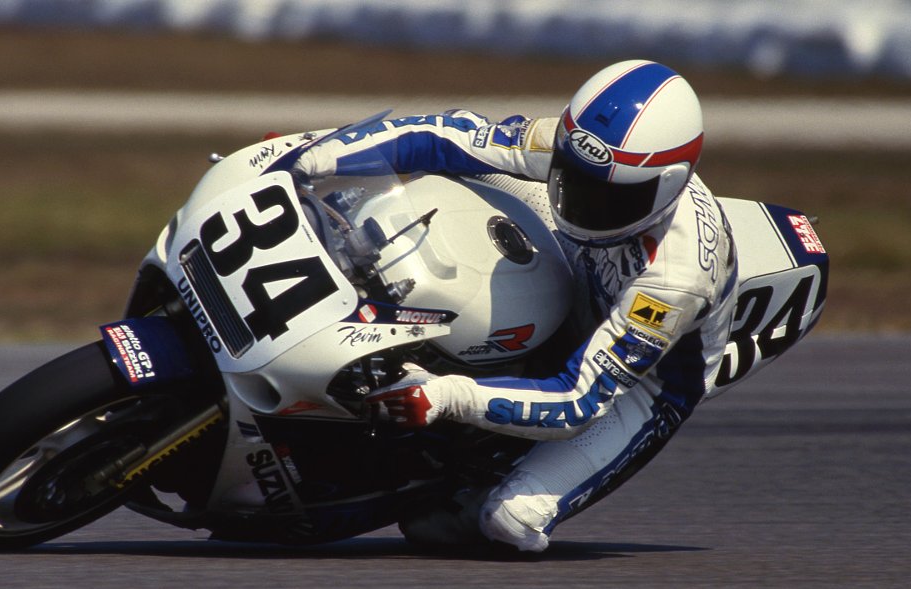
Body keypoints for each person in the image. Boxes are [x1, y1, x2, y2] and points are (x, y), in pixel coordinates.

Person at [295, 60, 737, 552]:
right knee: (458, 158)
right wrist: (320, 157)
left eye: (609, 198)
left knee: (506, 522)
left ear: (668, 186)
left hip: (645, 384)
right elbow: (451, 135)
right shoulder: (579, 151)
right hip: (580, 259)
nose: (584, 204)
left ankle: (475, 466)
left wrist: (448, 396)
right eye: (574, 178)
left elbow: (580, 401)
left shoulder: (674, 281)